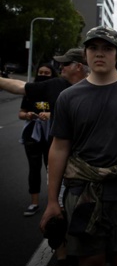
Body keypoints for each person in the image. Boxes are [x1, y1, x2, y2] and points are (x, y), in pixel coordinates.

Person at [39, 26, 117, 266]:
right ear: (85, 54)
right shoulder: (68, 98)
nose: (99, 54)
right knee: (89, 259)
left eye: (107, 48)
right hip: (83, 192)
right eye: (93, 48)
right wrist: (53, 201)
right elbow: (59, 148)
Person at [19, 63, 59, 217]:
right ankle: (34, 202)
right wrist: (28, 115)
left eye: (46, 73)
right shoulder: (31, 91)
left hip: (52, 133)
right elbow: (20, 114)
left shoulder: (56, 92)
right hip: (32, 134)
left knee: (53, 169)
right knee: (34, 168)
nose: (43, 75)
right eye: (40, 72)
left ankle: (53, 201)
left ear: (52, 75)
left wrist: (50, 115)